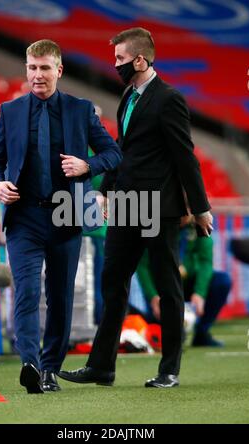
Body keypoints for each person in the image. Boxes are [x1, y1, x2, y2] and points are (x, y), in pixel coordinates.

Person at [58, 27, 212, 389]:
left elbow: (184, 156)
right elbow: (123, 149)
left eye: (121, 59)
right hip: (127, 205)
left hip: (160, 208)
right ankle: (101, 367)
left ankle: (169, 369)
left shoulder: (169, 98)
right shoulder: (129, 94)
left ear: (141, 60)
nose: (116, 65)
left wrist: (200, 207)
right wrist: (107, 190)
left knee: (168, 286)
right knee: (113, 283)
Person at [0, 39, 122, 394]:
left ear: (59, 71)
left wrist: (87, 165)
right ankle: (30, 364)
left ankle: (49, 369)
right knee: (27, 293)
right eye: (32, 67)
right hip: (24, 218)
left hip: (67, 216)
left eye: (45, 68)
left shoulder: (81, 110)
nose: (37, 75)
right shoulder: (10, 111)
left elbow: (113, 152)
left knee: (60, 297)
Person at [136, 220, 231, 347]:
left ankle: (202, 333)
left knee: (222, 281)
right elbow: (142, 265)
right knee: (162, 335)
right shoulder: (154, 224)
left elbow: (205, 261)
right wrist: (153, 296)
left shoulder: (199, 223)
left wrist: (200, 293)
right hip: (161, 286)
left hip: (188, 283)